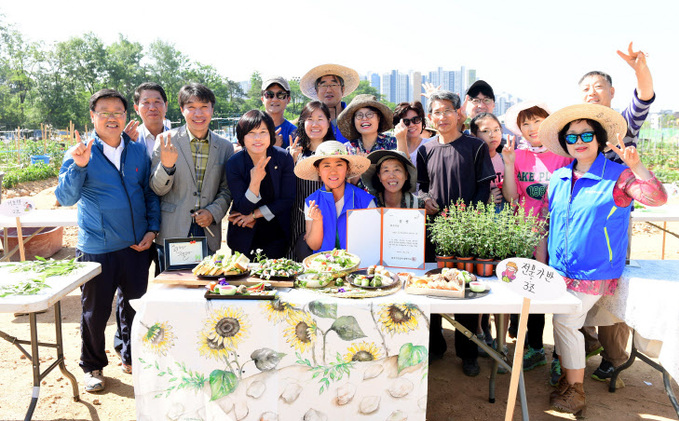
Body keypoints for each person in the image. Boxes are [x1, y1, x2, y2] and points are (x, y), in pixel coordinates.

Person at [538, 103, 666, 416]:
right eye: (572, 137)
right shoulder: (558, 178)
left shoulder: (618, 176)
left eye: (586, 134)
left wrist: (637, 167)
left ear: (598, 138)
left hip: (592, 270)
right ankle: (570, 381)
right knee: (565, 324)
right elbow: (548, 221)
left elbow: (656, 199)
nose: (579, 141)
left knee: (566, 324)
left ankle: (576, 391)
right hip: (559, 269)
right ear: (565, 143)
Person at [55, 89, 160, 392]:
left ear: (127, 116)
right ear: (93, 116)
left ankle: (129, 357)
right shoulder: (80, 152)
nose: (112, 117)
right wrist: (80, 166)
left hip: (136, 246)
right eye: (105, 112)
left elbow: (149, 194)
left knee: (133, 306)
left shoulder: (137, 150)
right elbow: (65, 197)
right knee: (95, 312)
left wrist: (151, 230)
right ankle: (93, 366)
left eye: (118, 112)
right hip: (97, 248)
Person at [578, 42, 657, 383]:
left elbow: (644, 98)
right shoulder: (576, 130)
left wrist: (639, 68)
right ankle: (581, 348)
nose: (591, 92)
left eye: (598, 86)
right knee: (575, 285)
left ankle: (613, 358)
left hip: (613, 226)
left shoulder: (622, 125)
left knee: (612, 289)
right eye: (585, 88)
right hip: (581, 226)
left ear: (611, 92)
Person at [417, 90, 495, 376]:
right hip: (434, 229)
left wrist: (464, 216)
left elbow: (483, 187)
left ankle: (468, 352)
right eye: (436, 112)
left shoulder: (475, 147)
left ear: (459, 113)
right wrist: (425, 199)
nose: (442, 117)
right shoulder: (425, 149)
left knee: (465, 290)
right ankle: (435, 345)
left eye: (447, 111)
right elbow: (421, 185)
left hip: (465, 232)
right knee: (432, 287)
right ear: (430, 117)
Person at [502, 101, 574, 382]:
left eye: (537, 121)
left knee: (558, 295)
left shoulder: (564, 156)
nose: (532, 129)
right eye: (526, 124)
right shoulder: (516, 156)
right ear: (519, 129)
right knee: (531, 290)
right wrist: (508, 164)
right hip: (527, 235)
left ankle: (560, 357)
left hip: (559, 237)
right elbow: (510, 198)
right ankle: (534, 348)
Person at [150, 83, 234, 269]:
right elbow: (157, 188)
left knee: (205, 287)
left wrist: (213, 212)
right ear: (182, 110)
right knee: (171, 290)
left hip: (207, 230)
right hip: (174, 230)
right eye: (191, 107)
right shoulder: (165, 141)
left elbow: (227, 189)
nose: (198, 114)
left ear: (212, 109)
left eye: (204, 107)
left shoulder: (225, 146)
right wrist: (167, 166)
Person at [225, 110, 295, 259]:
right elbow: (243, 207)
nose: (258, 138)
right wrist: (255, 182)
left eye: (263, 132)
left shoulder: (283, 158)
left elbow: (287, 199)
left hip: (277, 234)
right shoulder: (234, 163)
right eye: (251, 133)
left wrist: (254, 215)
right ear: (242, 137)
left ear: (271, 134)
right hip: (244, 235)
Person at [293, 141, 374, 253]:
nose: (333, 171)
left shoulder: (365, 201)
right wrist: (317, 220)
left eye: (339, 165)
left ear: (347, 169)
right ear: (318, 170)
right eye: (326, 166)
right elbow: (314, 246)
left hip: (358, 266)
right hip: (324, 267)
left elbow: (372, 241)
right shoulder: (312, 202)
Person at [287, 101, 336, 260]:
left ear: (328, 122)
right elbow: (286, 190)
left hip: (330, 220)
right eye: (310, 118)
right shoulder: (295, 152)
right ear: (303, 123)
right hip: (299, 222)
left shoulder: (338, 152)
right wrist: (291, 162)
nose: (315, 124)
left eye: (320, 118)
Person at [300, 64, 360, 144]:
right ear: (316, 90)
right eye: (323, 85)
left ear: (343, 89)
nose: (328, 90)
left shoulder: (356, 118)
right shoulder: (308, 123)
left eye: (334, 85)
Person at [125, 82, 171, 159]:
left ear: (166, 106)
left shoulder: (178, 140)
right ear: (136, 108)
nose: (152, 108)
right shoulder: (128, 141)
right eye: (146, 102)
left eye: (157, 102)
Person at [470, 112, 505, 210]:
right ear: (474, 135)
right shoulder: (471, 162)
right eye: (485, 131)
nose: (492, 135)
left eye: (496, 130)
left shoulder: (506, 159)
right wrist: (485, 199)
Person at [392, 101, 433, 166]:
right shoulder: (390, 146)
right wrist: (401, 139)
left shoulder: (431, 145)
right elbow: (402, 170)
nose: (411, 125)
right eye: (406, 121)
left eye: (416, 120)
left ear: (422, 122)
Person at [261, 76, 296, 148]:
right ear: (262, 99)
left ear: (288, 99)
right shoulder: (250, 126)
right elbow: (235, 150)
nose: (275, 99)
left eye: (280, 95)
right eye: (269, 94)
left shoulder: (294, 132)